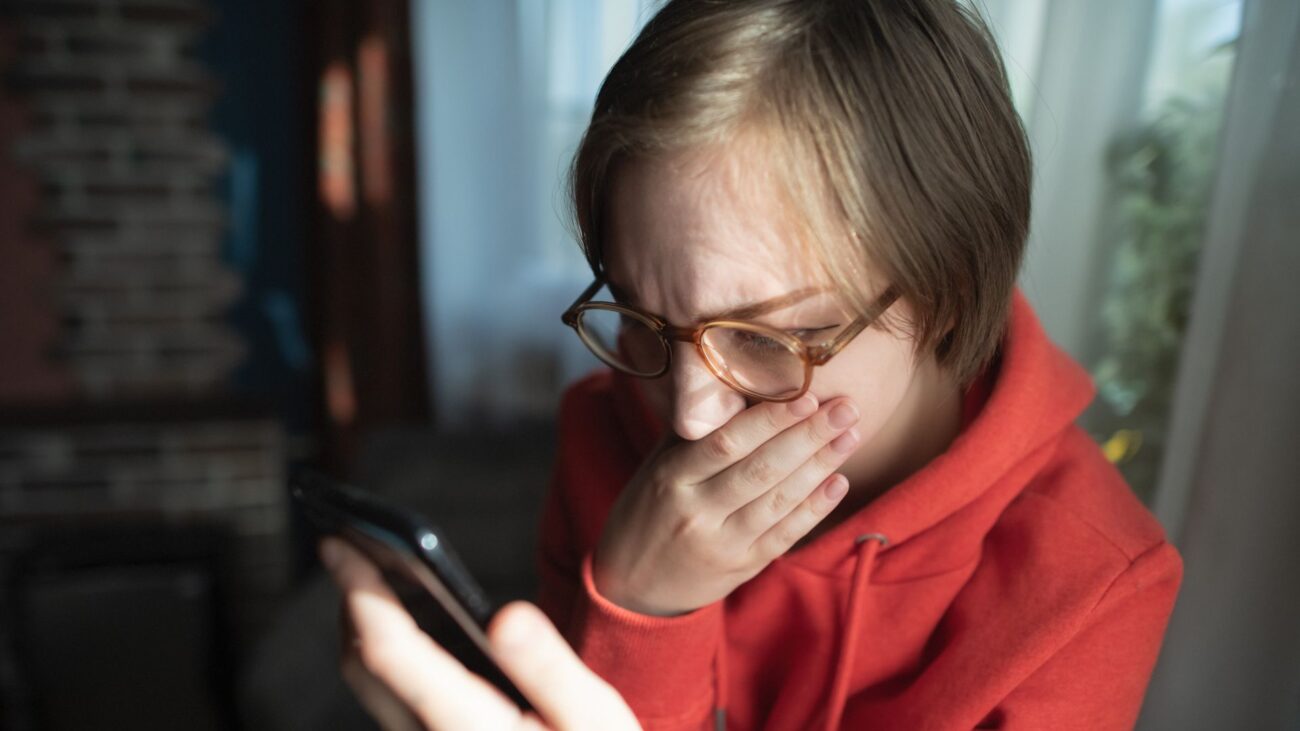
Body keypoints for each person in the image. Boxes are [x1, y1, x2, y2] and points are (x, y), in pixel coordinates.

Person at [328, 0, 1183, 729]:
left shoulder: (1094, 581)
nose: (689, 416)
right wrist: (642, 612)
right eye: (641, 319)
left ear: (948, 294)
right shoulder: (605, 429)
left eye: (767, 340)